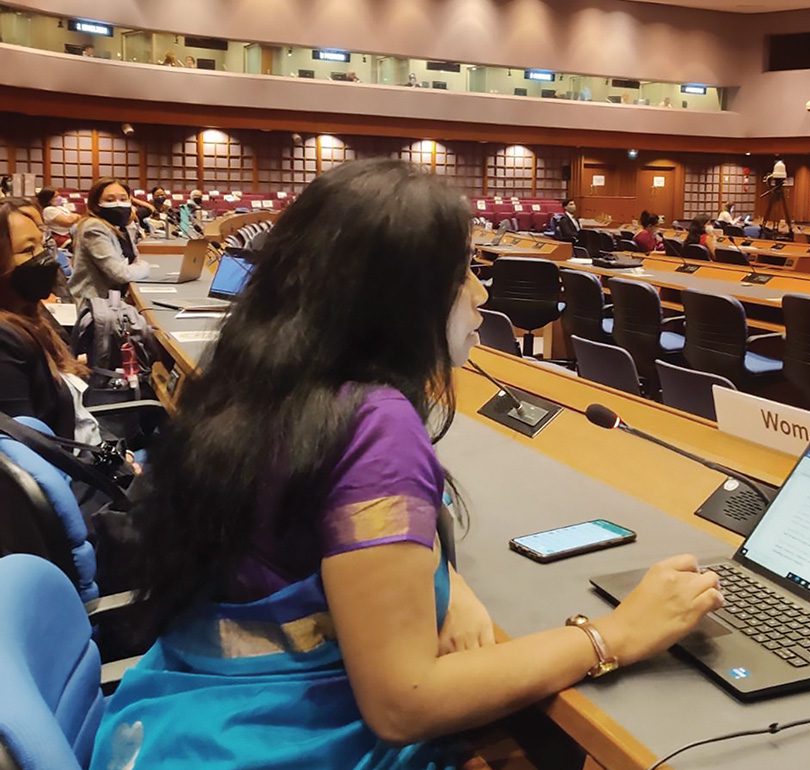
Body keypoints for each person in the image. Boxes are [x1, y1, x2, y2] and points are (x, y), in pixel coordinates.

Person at [88, 160, 722, 770]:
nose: (480, 291)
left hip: (183, 718)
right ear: (398, 296)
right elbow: (403, 703)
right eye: (462, 273)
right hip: (278, 743)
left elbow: (336, 527)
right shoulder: (377, 424)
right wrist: (615, 635)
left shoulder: (267, 378)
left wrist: (445, 580)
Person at [0, 199, 100, 443]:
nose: (45, 258)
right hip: (74, 462)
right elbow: (28, 448)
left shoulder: (28, 314)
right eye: (28, 250)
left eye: (42, 245)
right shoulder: (4, 341)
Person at [69, 178, 151, 304]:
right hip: (93, 305)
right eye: (109, 200)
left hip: (114, 300)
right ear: (96, 204)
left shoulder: (120, 227)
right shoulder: (93, 227)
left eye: (123, 199)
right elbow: (120, 274)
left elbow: (134, 260)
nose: (118, 204)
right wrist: (145, 267)